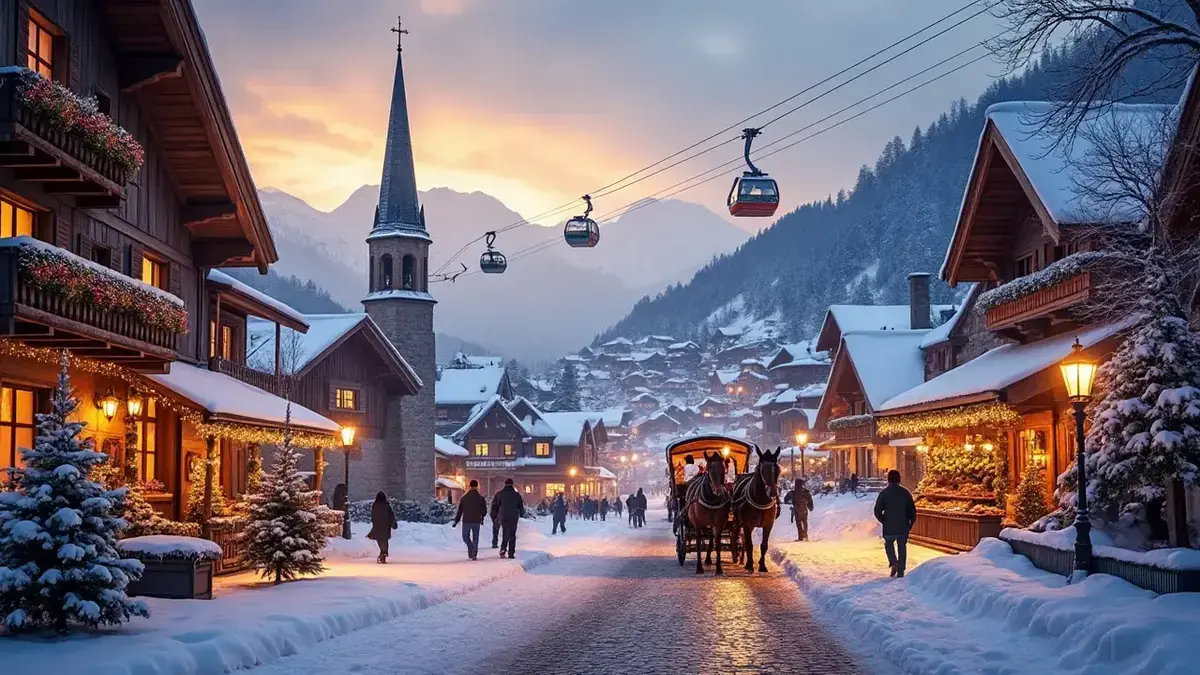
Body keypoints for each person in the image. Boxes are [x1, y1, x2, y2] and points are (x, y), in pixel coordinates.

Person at [874, 469, 917, 577]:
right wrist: (910, 523)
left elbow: (877, 510)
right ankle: (901, 570)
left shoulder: (884, 493)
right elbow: (912, 510)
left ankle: (893, 563)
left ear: (888, 480)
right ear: (899, 480)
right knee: (902, 547)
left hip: (889, 526)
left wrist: (884, 520)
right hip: (903, 526)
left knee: (889, 544)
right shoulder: (905, 493)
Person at [453, 479, 488, 560]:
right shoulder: (481, 498)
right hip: (476, 520)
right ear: (477, 487)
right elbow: (484, 510)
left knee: (465, 537)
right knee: (476, 538)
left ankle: (471, 548)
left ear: (469, 486)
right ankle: (474, 552)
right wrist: (482, 516)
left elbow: (460, 510)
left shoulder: (464, 498)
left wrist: (456, 520)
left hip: (466, 521)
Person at [495, 478, 526, 558]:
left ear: (505, 484)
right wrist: (522, 514)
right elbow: (520, 506)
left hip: (504, 516)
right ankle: (511, 552)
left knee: (505, 532)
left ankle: (503, 549)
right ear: (512, 484)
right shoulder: (516, 495)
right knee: (512, 534)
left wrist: (497, 515)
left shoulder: (500, 494)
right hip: (513, 516)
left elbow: (497, 505)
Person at [367, 492, 397, 564]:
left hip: (377, 526)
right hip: (385, 526)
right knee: (384, 540)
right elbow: (391, 515)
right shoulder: (386, 505)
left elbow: (372, 516)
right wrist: (393, 524)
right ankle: (383, 553)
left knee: (379, 540)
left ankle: (382, 553)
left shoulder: (375, 506)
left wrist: (375, 523)